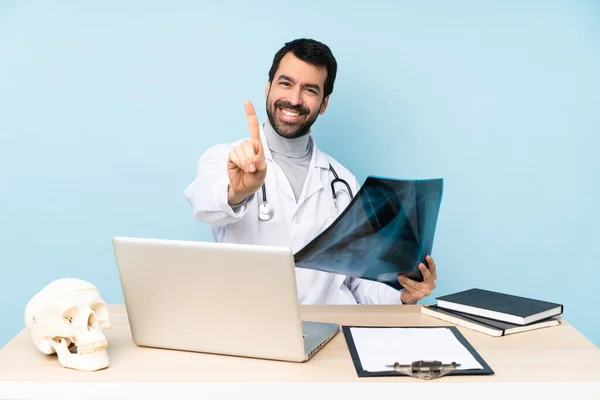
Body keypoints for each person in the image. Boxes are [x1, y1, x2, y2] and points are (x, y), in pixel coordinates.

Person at [184, 38, 437, 305]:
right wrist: (237, 191)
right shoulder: (226, 157)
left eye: (310, 90)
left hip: (330, 330)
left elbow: (355, 283)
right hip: (250, 328)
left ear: (324, 103)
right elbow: (204, 204)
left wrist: (403, 295)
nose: (294, 99)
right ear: (268, 88)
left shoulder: (343, 183)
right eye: (285, 83)